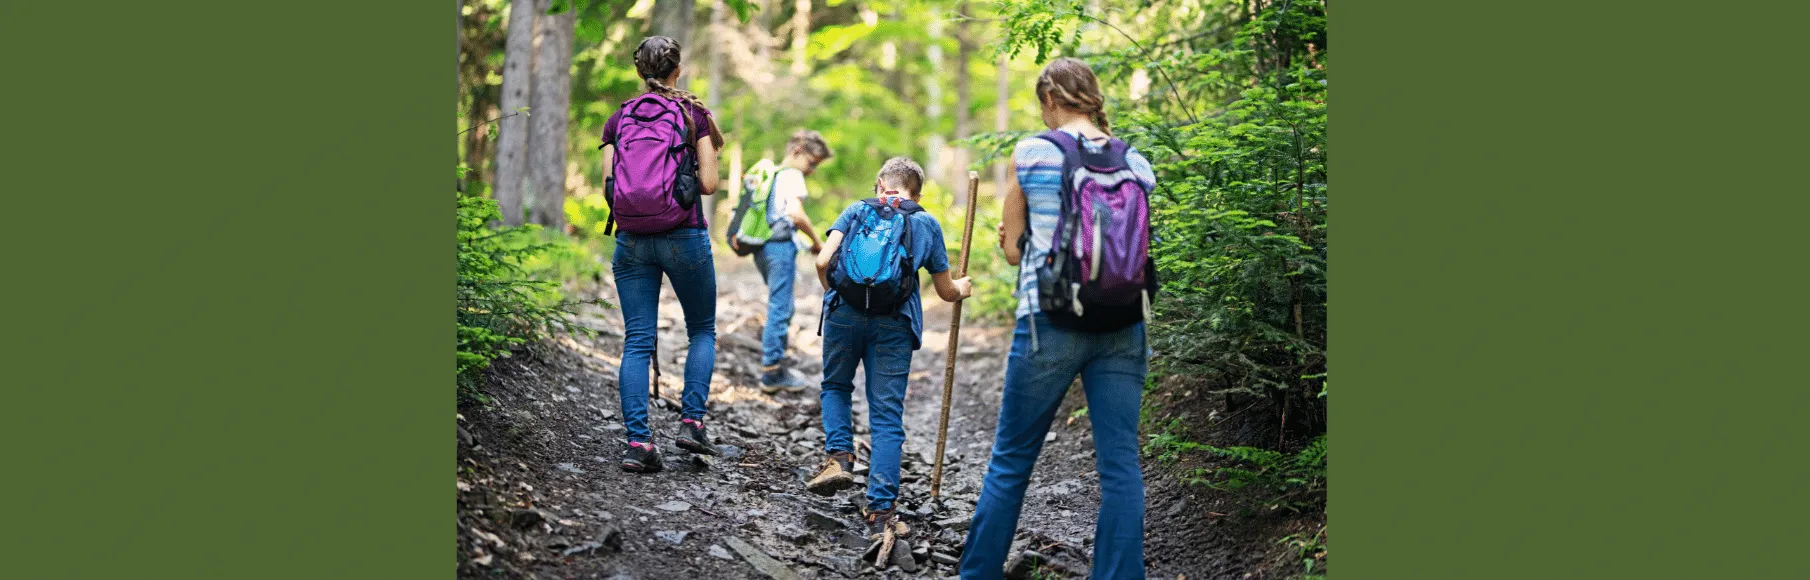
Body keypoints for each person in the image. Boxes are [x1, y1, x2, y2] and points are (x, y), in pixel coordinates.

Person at [960, 58, 1158, 579]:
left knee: (1011, 461)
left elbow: (1012, 250)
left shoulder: (1031, 153)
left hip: (1048, 322)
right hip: (1124, 323)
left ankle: (977, 573)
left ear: (1050, 99)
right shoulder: (1135, 163)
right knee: (1120, 469)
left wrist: (1017, 235)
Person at [807, 157, 973, 539]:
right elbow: (946, 291)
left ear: (880, 183)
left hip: (843, 315)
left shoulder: (856, 210)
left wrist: (837, 295)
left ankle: (840, 457)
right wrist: (963, 288)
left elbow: (822, 259)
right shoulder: (926, 222)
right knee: (886, 415)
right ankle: (880, 510)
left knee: (835, 386)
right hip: (895, 323)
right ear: (918, 191)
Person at [598, 36, 725, 473]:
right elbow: (708, 184)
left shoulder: (619, 119)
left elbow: (609, 188)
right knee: (702, 330)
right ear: (678, 69)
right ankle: (691, 422)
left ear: (639, 71)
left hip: (631, 240)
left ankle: (639, 444)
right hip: (683, 235)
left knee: (636, 340)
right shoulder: (694, 115)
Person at [737, 130, 832, 393]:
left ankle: (776, 358)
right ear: (797, 150)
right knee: (781, 307)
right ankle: (771, 372)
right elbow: (795, 213)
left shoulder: (774, 174)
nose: (812, 170)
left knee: (781, 305)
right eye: (811, 163)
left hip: (763, 248)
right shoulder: (791, 175)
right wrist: (816, 241)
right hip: (779, 249)